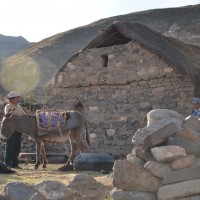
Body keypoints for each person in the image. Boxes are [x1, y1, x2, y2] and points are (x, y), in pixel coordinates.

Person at [4, 91, 26, 169]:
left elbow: (24, 115)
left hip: (18, 128)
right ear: (11, 99)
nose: (18, 99)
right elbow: (7, 116)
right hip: (11, 129)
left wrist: (29, 116)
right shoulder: (8, 106)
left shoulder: (18, 107)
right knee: (10, 146)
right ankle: (7, 164)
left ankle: (15, 164)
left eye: (18, 98)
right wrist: (11, 113)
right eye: (16, 98)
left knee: (17, 147)